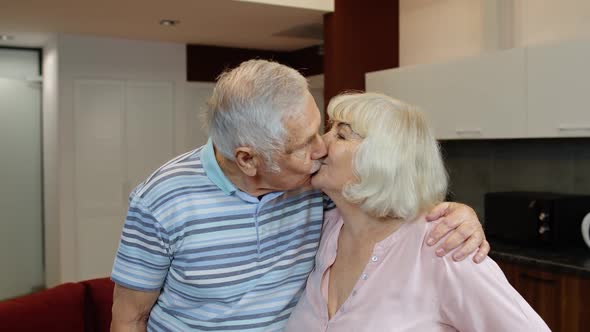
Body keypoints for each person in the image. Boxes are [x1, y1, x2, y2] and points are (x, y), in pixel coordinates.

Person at [110, 60, 489, 332]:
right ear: (248, 159)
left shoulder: (316, 191)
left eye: (320, 130)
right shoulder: (160, 200)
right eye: (304, 144)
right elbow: (130, 318)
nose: (321, 147)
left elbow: (381, 201)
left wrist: (456, 211)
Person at [285, 92, 549, 331]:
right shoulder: (321, 226)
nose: (319, 144)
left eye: (340, 135)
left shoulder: (443, 246)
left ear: (382, 161)